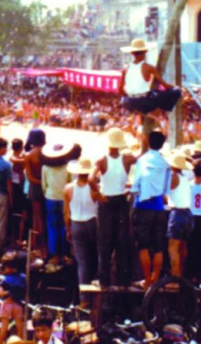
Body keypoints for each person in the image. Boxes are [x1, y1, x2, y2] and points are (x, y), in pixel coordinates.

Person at [92, 128, 136, 288]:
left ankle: (104, 280)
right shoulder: (127, 159)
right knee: (121, 241)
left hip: (107, 200)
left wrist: (98, 193)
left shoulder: (102, 160)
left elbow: (91, 178)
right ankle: (123, 281)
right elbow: (141, 159)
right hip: (121, 199)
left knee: (105, 241)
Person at [130, 131, 171, 289]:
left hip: (143, 206)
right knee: (159, 246)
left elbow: (137, 181)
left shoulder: (143, 160)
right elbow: (166, 188)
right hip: (159, 206)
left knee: (143, 246)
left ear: (147, 142)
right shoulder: (164, 163)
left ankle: (147, 280)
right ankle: (156, 278)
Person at [64, 158, 99, 303]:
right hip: (93, 223)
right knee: (95, 259)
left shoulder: (68, 189)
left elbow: (66, 213)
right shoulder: (95, 188)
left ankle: (84, 298)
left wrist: (68, 229)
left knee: (82, 262)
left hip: (77, 223)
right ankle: (96, 295)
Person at [118, 39, 181, 118]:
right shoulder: (149, 68)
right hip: (144, 102)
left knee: (154, 92)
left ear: (132, 53)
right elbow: (165, 85)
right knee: (176, 91)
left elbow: (120, 89)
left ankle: (140, 110)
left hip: (129, 102)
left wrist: (129, 97)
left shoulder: (125, 68)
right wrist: (176, 87)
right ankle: (160, 111)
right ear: (145, 52)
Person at [166, 153, 194, 278]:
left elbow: (165, 191)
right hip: (188, 213)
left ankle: (175, 277)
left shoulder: (173, 176)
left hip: (177, 213)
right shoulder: (185, 179)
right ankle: (181, 276)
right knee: (183, 247)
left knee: (173, 247)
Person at [0, 252, 25, 344]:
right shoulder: (22, 278)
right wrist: (13, 292)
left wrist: (9, 292)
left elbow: (0, 293)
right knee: (19, 326)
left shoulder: (5, 279)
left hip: (8, 304)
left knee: (5, 327)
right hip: (16, 304)